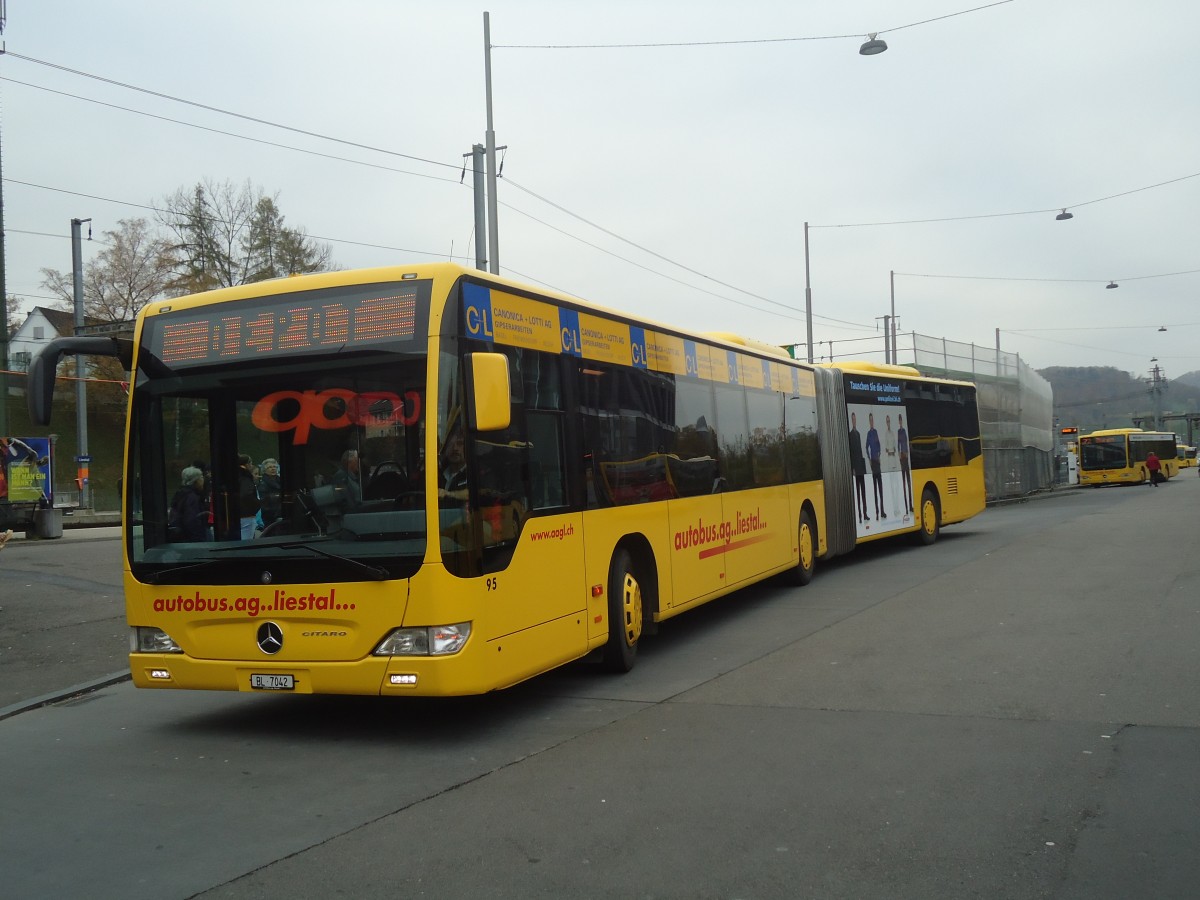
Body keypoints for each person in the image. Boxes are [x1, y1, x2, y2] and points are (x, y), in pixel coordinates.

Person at [169, 466, 210, 542]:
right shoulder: (192, 497)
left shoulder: (181, 494)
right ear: (195, 481)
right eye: (201, 477)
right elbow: (192, 521)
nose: (203, 480)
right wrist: (199, 541)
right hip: (192, 540)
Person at [848, 413, 868, 524]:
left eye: (855, 419)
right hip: (856, 468)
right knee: (858, 493)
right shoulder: (851, 435)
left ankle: (864, 514)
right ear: (851, 421)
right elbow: (852, 453)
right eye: (853, 419)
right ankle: (859, 515)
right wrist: (853, 468)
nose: (854, 421)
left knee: (863, 492)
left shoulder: (858, 434)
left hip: (861, 467)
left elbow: (860, 451)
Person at [439, 428, 468, 502]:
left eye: (460, 444)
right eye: (450, 444)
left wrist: (449, 494)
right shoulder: (438, 474)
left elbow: (479, 492)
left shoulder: (474, 473)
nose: (455, 448)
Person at [236, 454, 260, 538]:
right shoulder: (246, 478)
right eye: (251, 463)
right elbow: (246, 495)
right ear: (247, 464)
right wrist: (257, 504)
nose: (251, 466)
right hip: (247, 515)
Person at [866, 413, 885, 520]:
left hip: (877, 462)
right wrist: (869, 459)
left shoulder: (876, 432)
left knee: (880, 488)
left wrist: (879, 455)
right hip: (873, 463)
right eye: (870, 420)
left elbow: (879, 445)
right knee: (875, 489)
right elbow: (866, 447)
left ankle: (882, 511)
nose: (871, 422)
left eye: (872, 420)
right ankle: (877, 512)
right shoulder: (869, 434)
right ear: (869, 422)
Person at [258, 458, 282, 527]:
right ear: (264, 470)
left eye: (275, 467)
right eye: (270, 467)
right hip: (271, 517)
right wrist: (275, 515)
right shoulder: (263, 484)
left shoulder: (280, 481)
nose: (273, 469)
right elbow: (264, 504)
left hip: (281, 514)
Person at [897, 414, 913, 514]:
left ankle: (910, 505)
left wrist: (906, 453)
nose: (900, 421)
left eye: (901, 420)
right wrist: (900, 454)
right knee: (903, 483)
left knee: (908, 482)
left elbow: (906, 443)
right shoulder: (899, 431)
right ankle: (906, 507)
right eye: (899, 420)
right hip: (902, 458)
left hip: (906, 457)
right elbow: (898, 444)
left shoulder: (904, 431)